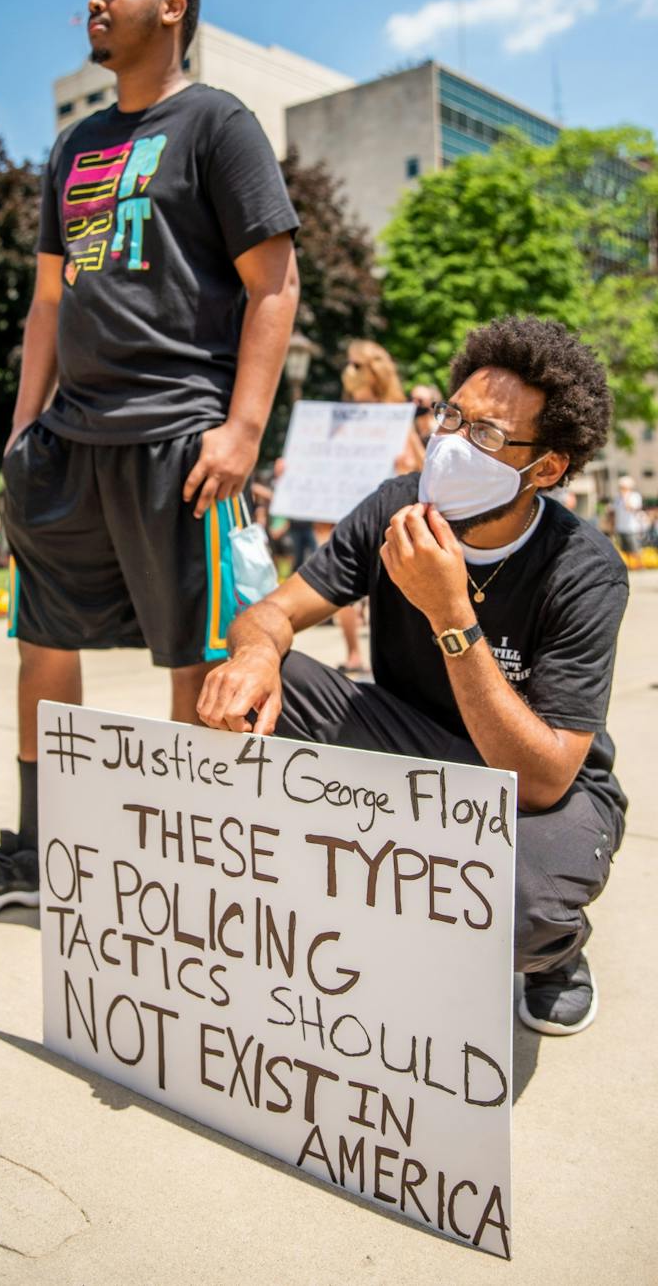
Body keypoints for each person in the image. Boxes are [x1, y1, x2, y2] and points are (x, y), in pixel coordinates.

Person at [0, 0, 300, 923]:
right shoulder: (75, 145)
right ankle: (38, 851)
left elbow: (275, 284)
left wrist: (243, 428)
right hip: (68, 447)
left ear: (170, 7)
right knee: (41, 645)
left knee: (194, 658)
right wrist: (18, 433)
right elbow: (47, 304)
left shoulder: (219, 124)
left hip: (181, 435)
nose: (94, 1)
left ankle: (197, 875)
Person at [198, 317, 628, 1037]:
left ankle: (557, 956)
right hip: (413, 744)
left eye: (487, 435)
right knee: (266, 687)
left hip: (536, 790)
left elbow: (546, 775)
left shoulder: (583, 570)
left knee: (520, 914)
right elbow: (271, 614)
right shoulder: (397, 507)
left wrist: (450, 613)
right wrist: (252, 653)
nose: (453, 440)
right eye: (452, 415)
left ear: (546, 468)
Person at [331, 341, 426, 675]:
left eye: (356, 365)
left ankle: (384, 654)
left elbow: (420, 464)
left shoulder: (395, 413)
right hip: (338, 505)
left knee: (382, 581)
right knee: (335, 578)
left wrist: (405, 465)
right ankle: (353, 651)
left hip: (382, 511)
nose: (349, 371)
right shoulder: (340, 413)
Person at [611, 475, 643, 568]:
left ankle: (639, 565)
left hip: (632, 527)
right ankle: (629, 566)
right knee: (625, 549)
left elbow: (631, 508)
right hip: (621, 527)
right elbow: (615, 512)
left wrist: (626, 497)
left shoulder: (635, 496)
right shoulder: (617, 498)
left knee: (635, 548)